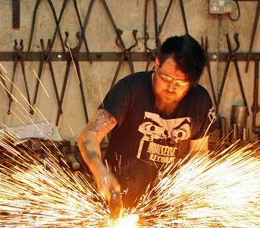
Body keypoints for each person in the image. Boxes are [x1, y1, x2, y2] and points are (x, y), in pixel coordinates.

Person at [78, 34, 217, 212]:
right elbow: (89, 136)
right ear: (157, 64)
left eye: (181, 83)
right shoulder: (130, 90)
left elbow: (198, 151)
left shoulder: (200, 101)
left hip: (168, 209)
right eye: (166, 78)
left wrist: (191, 186)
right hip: (117, 203)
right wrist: (100, 173)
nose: (171, 88)